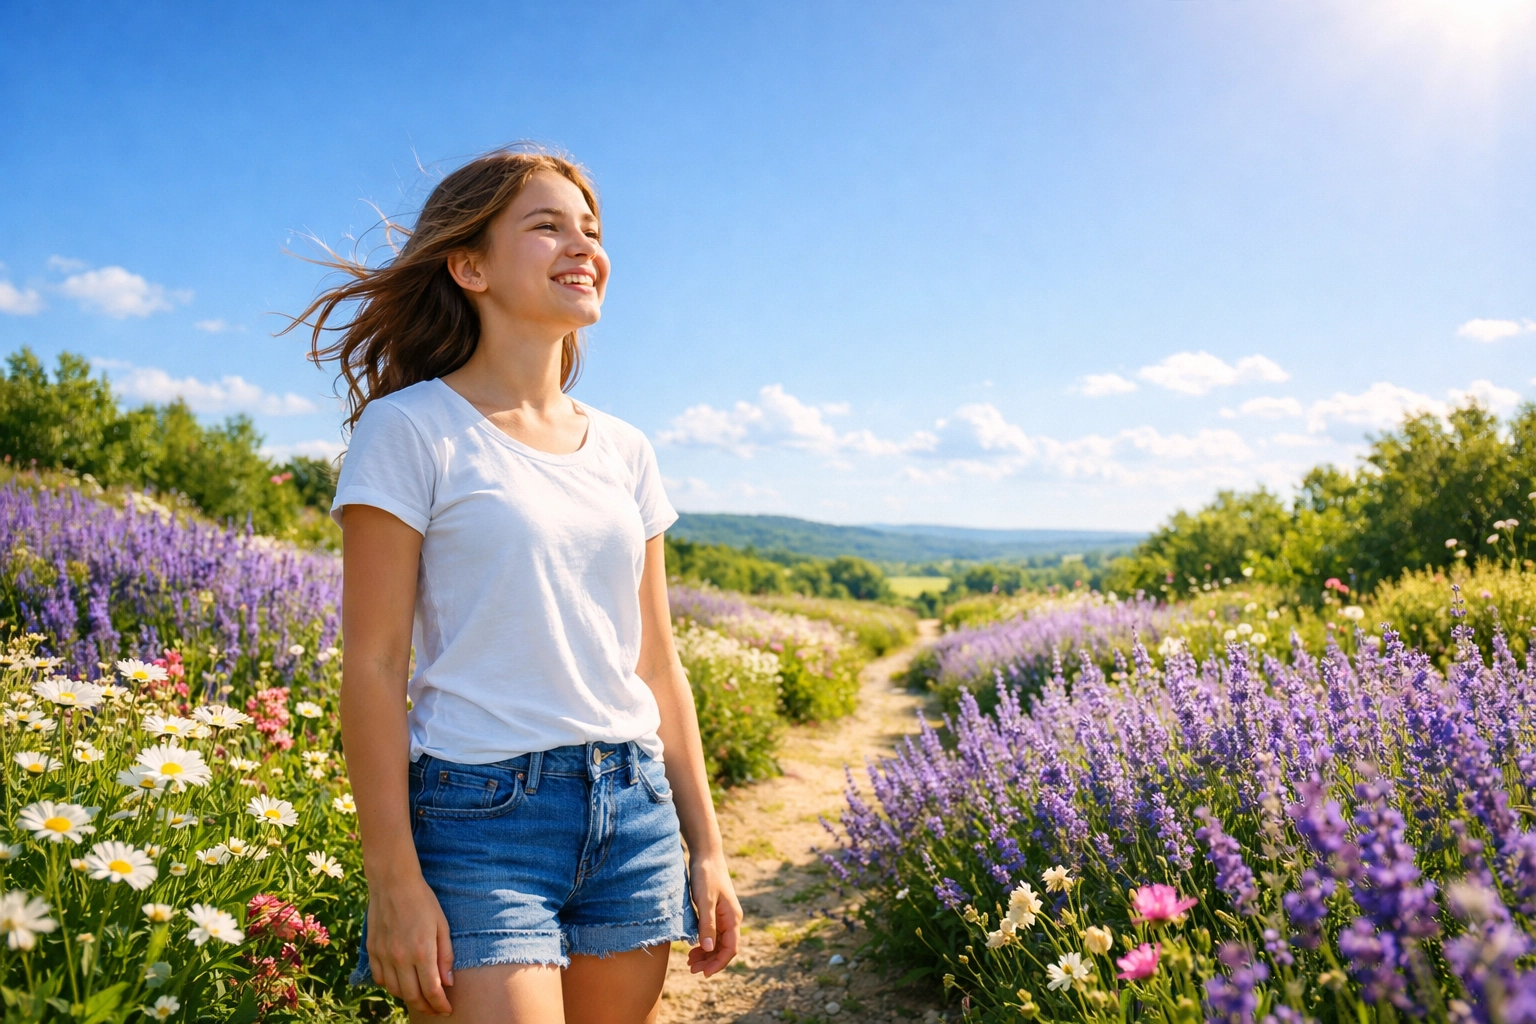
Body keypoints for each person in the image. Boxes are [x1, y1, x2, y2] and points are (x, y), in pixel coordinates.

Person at [290, 148, 741, 1022]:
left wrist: (708, 848)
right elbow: (375, 667)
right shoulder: (410, 429)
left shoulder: (626, 449)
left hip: (632, 808)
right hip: (480, 819)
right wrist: (393, 880)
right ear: (470, 266)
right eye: (547, 226)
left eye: (592, 229)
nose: (584, 245)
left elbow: (658, 663)